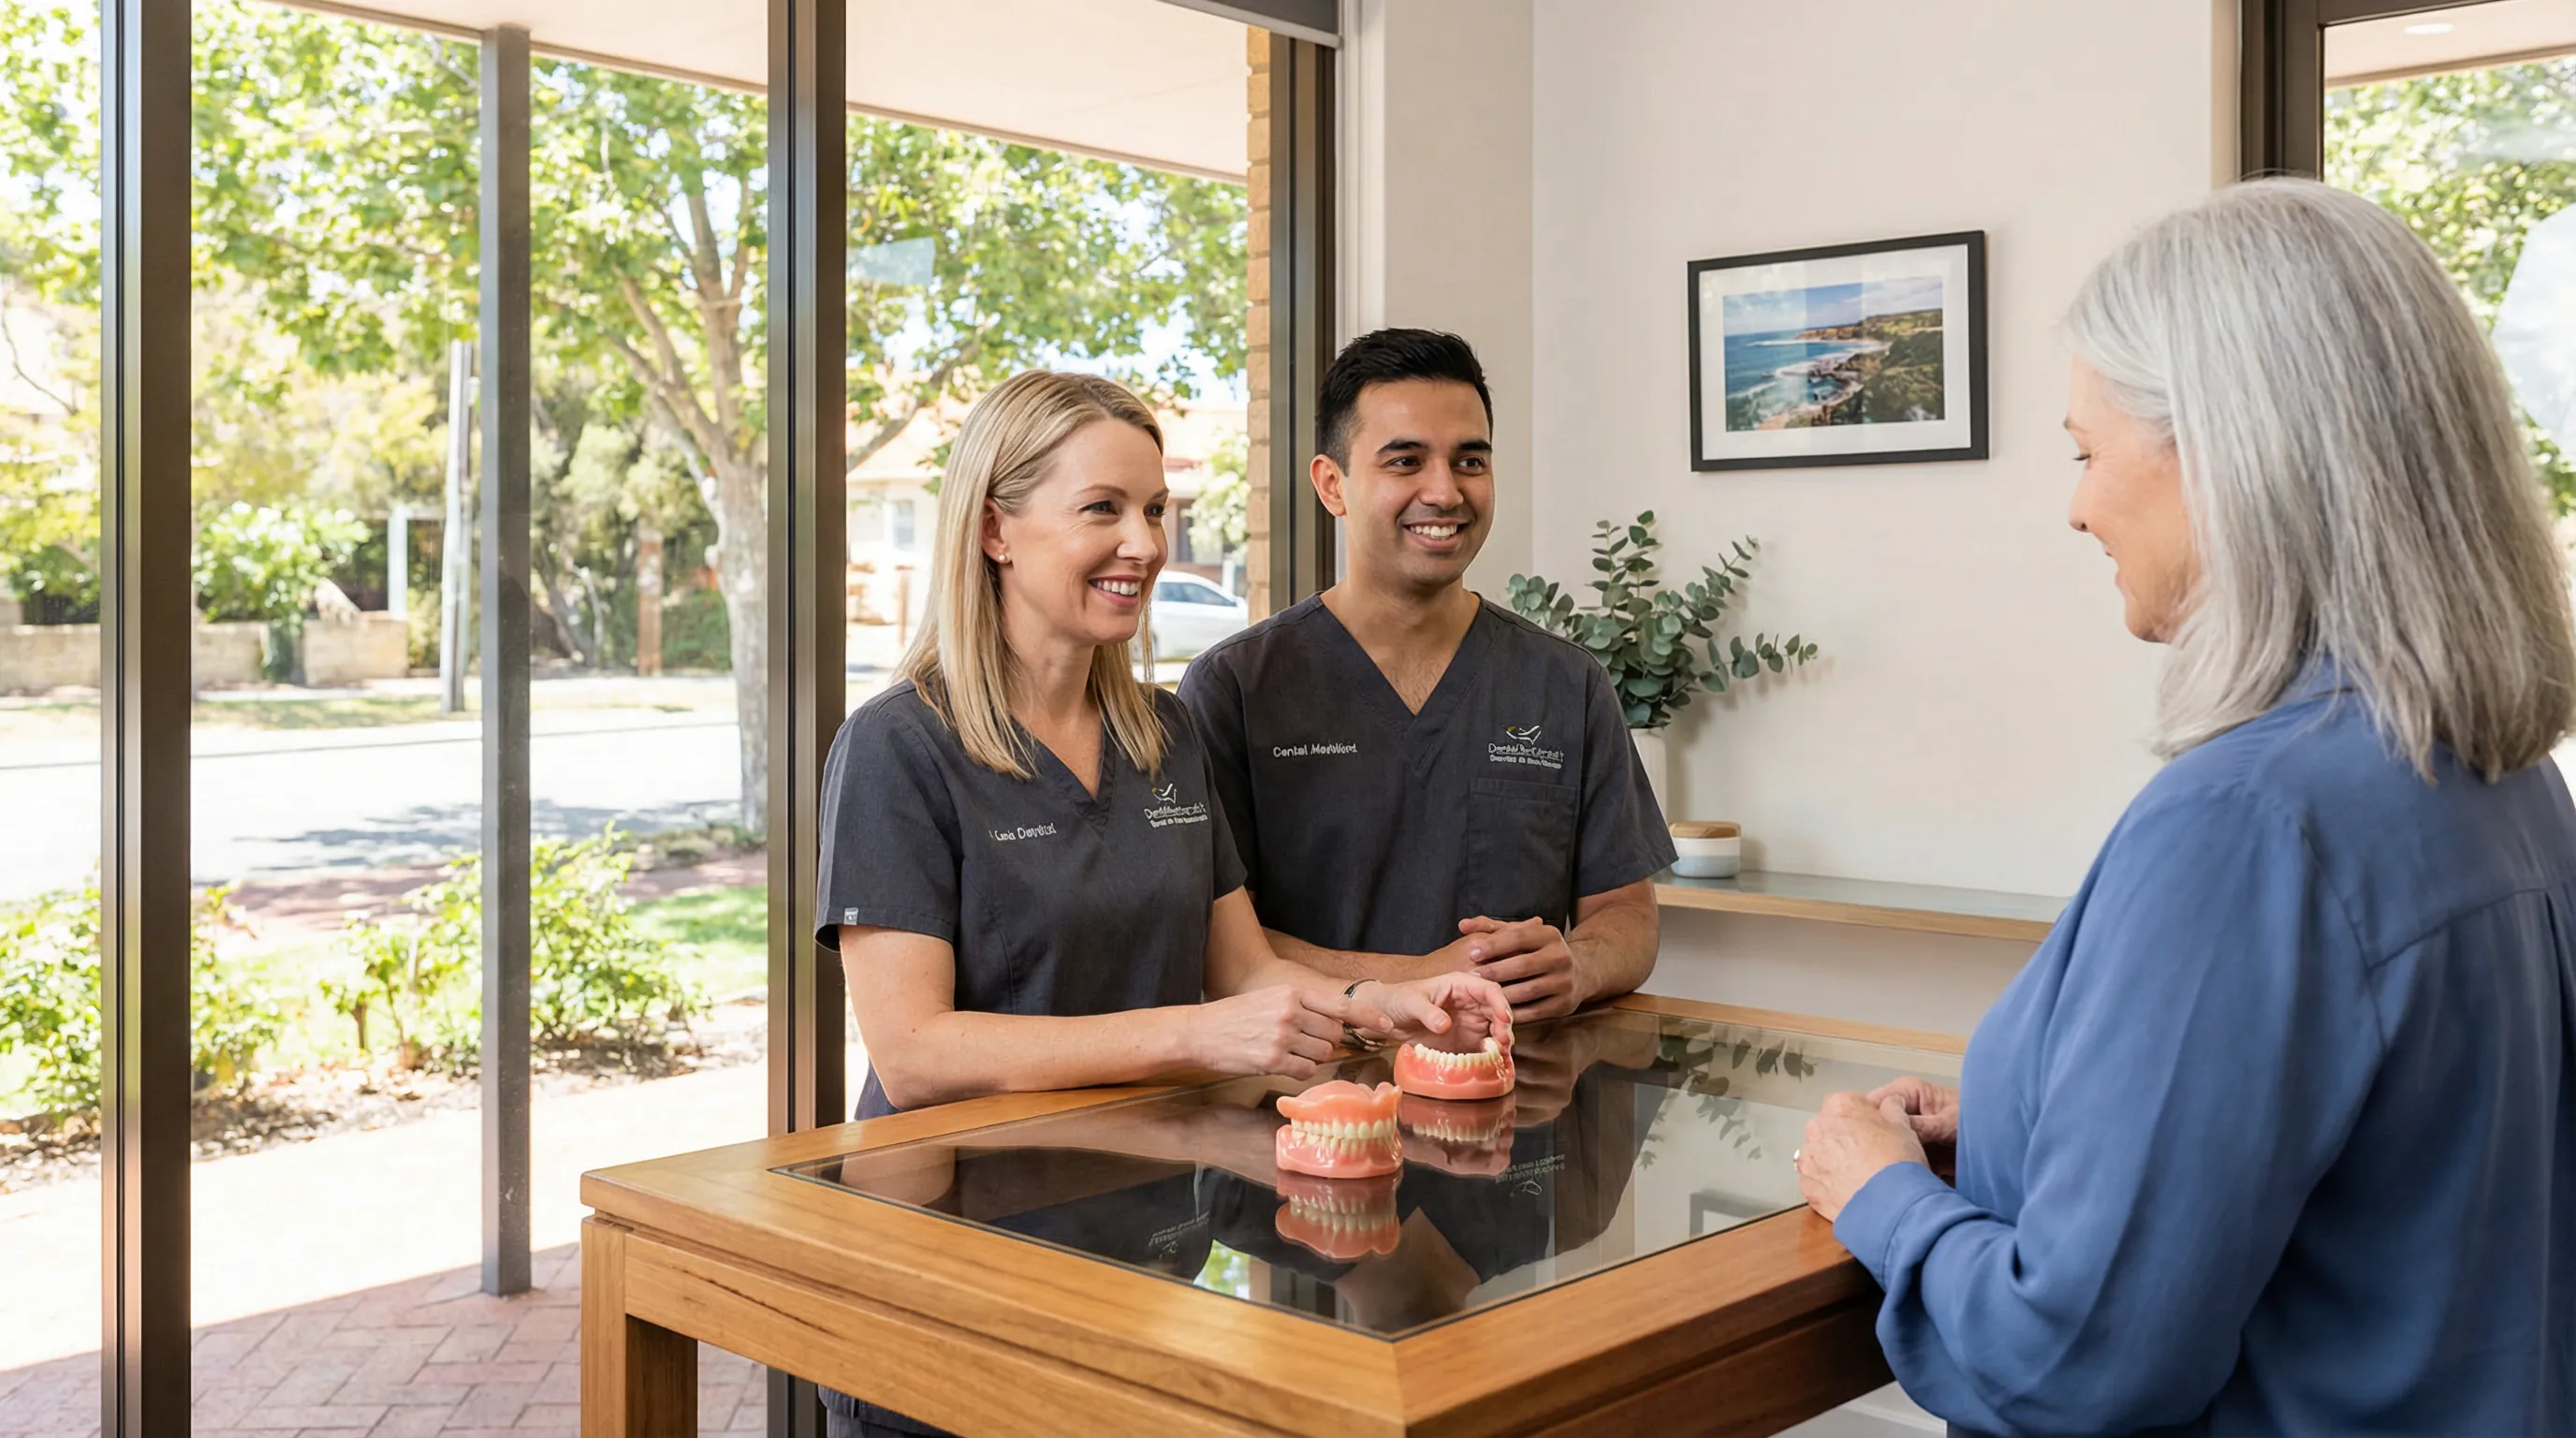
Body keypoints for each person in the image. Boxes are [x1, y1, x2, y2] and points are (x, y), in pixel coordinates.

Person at [1795, 178, 2576, 1434]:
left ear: (2228, 451)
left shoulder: (2250, 825)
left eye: (2086, 452)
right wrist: (2017, 1122)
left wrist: (1878, 1190)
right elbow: (2383, 1169)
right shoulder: (2501, 777)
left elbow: (2072, 1364)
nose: (2077, 504)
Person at [814, 370, 1510, 1438]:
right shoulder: (899, 746)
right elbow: (914, 1053)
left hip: (1144, 1238)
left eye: (1154, 511)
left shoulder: (1164, 733)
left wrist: (1378, 1005)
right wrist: (1203, 1034)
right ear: (996, 529)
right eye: (1102, 509)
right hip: (953, 1252)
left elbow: (1246, 974)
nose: (1142, 543)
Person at [1179, 330, 1674, 1023]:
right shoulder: (1236, 688)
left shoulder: (1565, 683)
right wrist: (1415, 981)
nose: (1444, 491)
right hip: (1307, 1104)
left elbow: (1627, 915)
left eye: (1470, 461)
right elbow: (1215, 943)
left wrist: (1579, 964)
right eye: (1405, 461)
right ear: (1332, 485)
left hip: (1510, 1101)